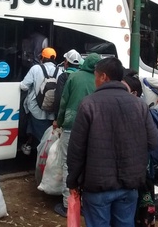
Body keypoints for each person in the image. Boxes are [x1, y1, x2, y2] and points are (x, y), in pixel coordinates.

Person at [66, 57, 158, 226]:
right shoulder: (139, 104)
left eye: (95, 76)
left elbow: (76, 149)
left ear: (103, 77)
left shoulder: (89, 104)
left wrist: (72, 181)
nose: (94, 81)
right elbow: (153, 142)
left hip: (97, 186)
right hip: (130, 184)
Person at [52, 53, 100, 217]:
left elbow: (63, 102)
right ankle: (85, 204)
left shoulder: (73, 77)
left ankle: (68, 205)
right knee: (88, 165)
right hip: (92, 128)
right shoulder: (99, 80)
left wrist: (58, 121)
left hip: (71, 126)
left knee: (68, 164)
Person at [123, 70, 155, 227]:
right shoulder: (141, 107)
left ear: (134, 92)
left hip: (136, 170)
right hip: (138, 170)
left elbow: (153, 141)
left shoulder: (138, 109)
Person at [20, 47, 62, 155]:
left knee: (42, 137)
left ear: (42, 58)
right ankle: (30, 145)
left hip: (36, 109)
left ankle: (42, 156)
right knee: (48, 134)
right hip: (52, 111)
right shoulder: (61, 71)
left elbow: (24, 86)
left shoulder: (35, 69)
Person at [52, 49, 83, 118]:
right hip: (80, 115)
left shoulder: (63, 77)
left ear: (66, 62)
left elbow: (59, 98)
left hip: (66, 116)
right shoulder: (83, 76)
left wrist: (57, 117)